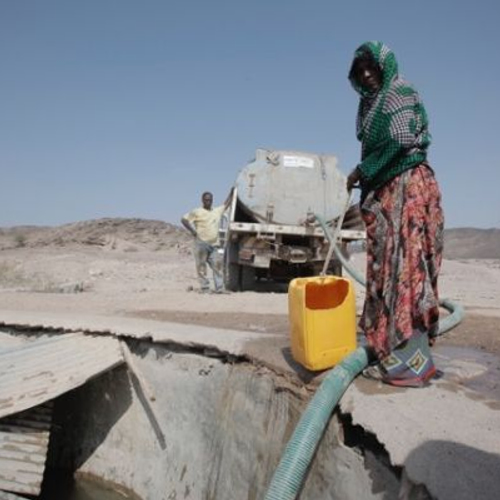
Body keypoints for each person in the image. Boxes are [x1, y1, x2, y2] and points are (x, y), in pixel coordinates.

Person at [346, 41, 444, 387]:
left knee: (407, 274)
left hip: (407, 189)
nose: (368, 74)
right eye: (360, 72)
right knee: (388, 274)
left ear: (385, 66)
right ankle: (389, 352)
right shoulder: (371, 106)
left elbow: (400, 140)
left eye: (372, 67)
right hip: (389, 193)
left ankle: (412, 366)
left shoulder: (399, 93)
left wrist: (361, 170)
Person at [181, 189, 233, 294]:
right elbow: (184, 219)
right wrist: (193, 231)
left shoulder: (216, 211)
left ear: (212, 200)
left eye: (210, 200)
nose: (208, 201)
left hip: (214, 245)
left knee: (217, 266)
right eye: (206, 200)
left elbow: (226, 204)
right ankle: (205, 288)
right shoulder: (197, 212)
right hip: (201, 244)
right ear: (202, 200)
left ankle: (219, 288)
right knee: (201, 267)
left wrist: (232, 192)